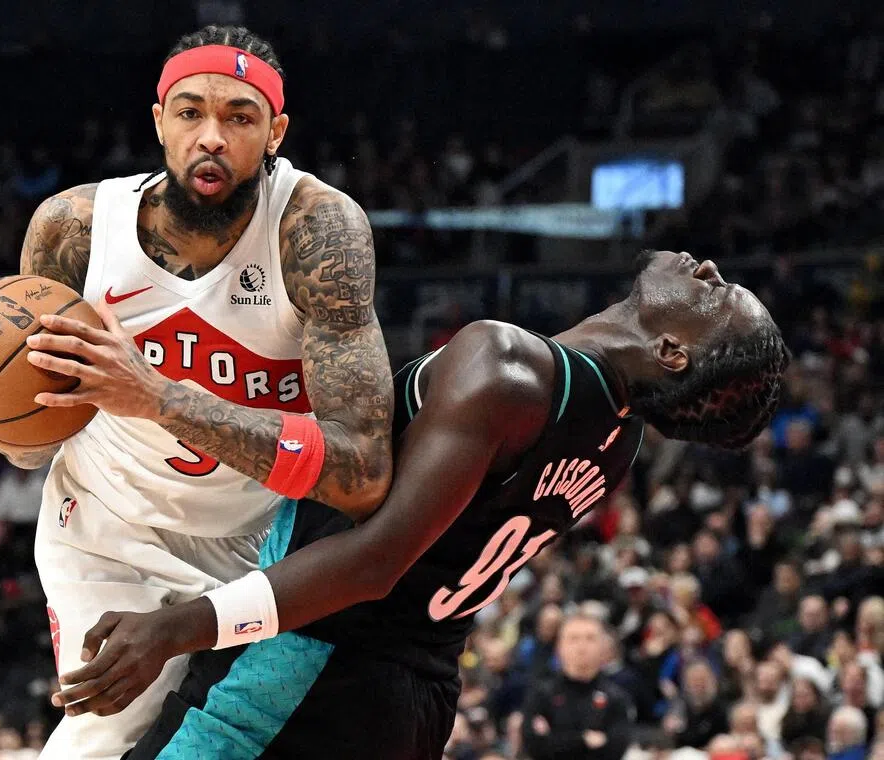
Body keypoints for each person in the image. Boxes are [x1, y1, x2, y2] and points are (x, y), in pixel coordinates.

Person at [53, 250, 790, 760]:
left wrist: (175, 629)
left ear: (671, 353)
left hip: (309, 671)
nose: (710, 272)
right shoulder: (614, 443)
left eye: (717, 301)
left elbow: (377, 562)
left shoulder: (505, 363)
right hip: (414, 705)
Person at [0, 25, 395, 760]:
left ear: (275, 131)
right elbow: (27, 441)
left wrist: (159, 396)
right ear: (159, 122)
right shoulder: (76, 229)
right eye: (190, 113)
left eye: (239, 118)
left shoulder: (315, 231)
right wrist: (6, 420)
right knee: (113, 734)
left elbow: (363, 473)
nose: (211, 136)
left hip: (258, 539)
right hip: (107, 525)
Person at [522, 614, 635, 760]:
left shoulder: (616, 697)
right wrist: (583, 740)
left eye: (590, 638)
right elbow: (536, 746)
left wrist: (557, 739)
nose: (582, 646)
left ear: (603, 647)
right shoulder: (541, 695)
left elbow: (616, 748)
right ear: (559, 647)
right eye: (573, 639)